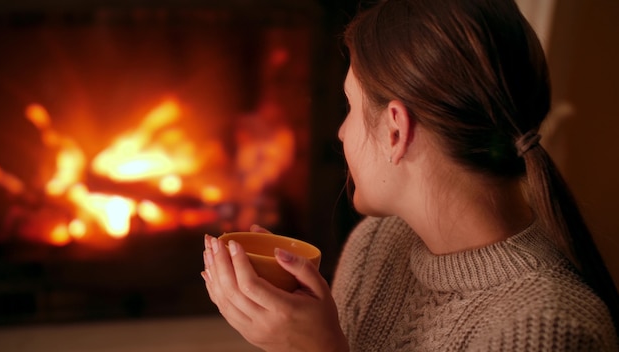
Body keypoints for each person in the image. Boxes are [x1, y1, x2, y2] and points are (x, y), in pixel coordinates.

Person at [202, 0, 619, 350]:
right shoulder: (376, 246)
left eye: (349, 106)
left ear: (396, 129)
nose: (341, 132)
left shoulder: (546, 331)